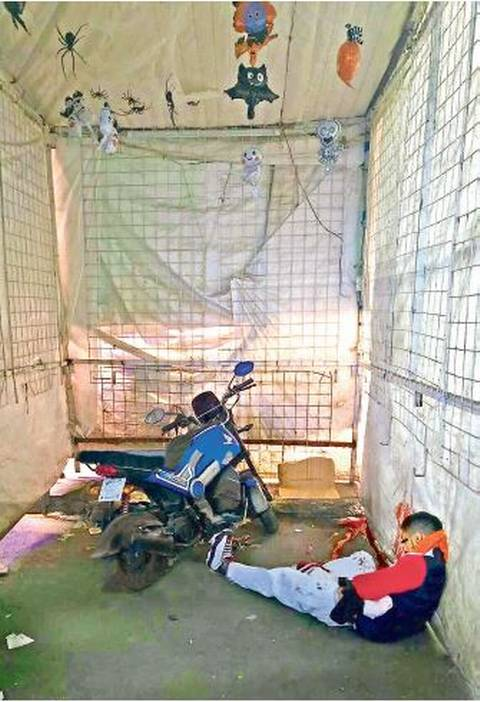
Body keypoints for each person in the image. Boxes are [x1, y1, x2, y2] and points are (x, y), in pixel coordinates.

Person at [206, 511, 448, 643]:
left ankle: (224, 566)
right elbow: (392, 584)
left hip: (369, 621)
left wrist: (344, 587)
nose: (402, 545)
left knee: (284, 580)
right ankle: (317, 574)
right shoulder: (435, 555)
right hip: (395, 618)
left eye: (405, 540)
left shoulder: (417, 566)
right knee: (363, 558)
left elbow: (370, 587)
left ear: (418, 538)